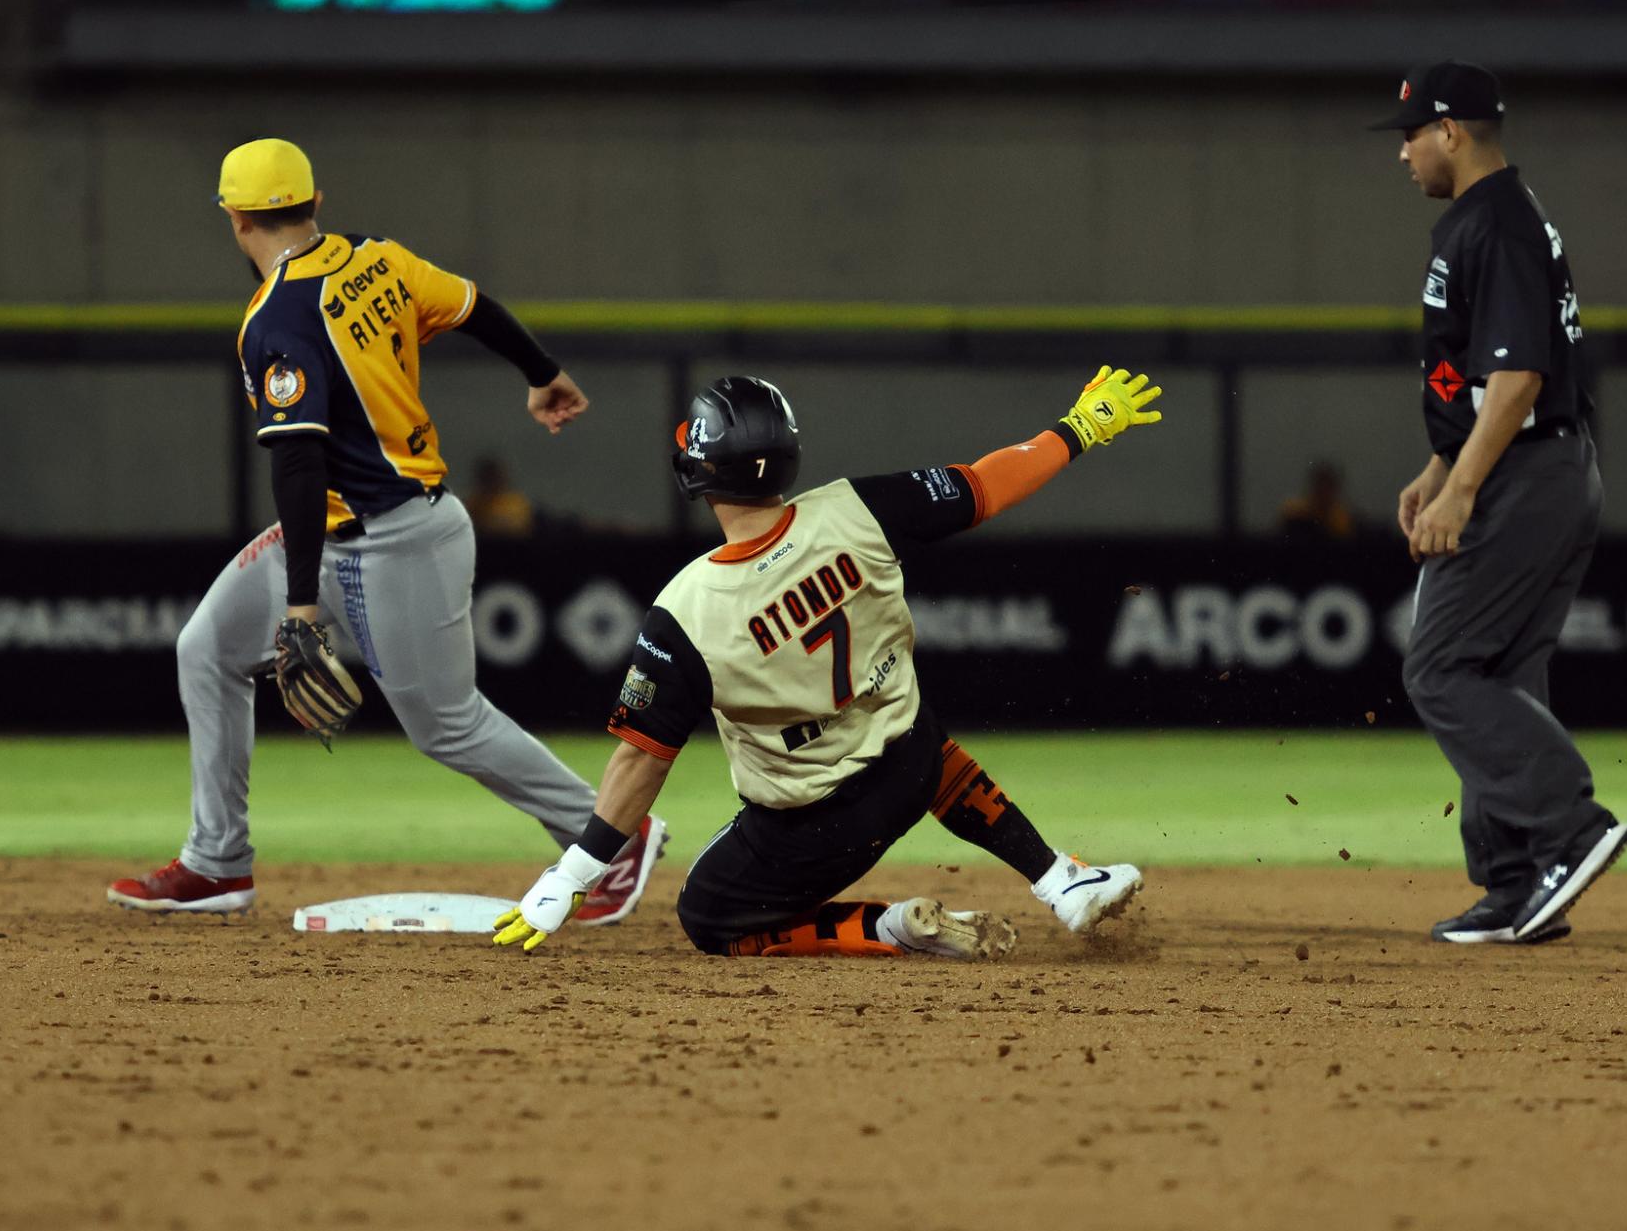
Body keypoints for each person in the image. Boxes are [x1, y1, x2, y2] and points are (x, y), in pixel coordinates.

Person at [107, 139, 664, 919]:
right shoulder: (378, 259)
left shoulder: (275, 320)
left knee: (447, 726)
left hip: (396, 540)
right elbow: (475, 307)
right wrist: (542, 372)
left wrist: (299, 606)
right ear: (315, 202)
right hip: (337, 534)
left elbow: (297, 465)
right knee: (205, 649)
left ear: (236, 218)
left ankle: (611, 834)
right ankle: (217, 860)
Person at [491, 366, 1162, 961]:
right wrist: (1078, 428)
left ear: (697, 470)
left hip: (811, 830)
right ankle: (1058, 878)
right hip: (912, 767)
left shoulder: (687, 610)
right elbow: (987, 484)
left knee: (706, 914)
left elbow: (642, 759)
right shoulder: (858, 510)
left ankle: (890, 928)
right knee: (903, 715)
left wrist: (573, 874)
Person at [1371, 60, 1627, 945]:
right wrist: (1441, 464)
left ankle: (1573, 827)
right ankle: (1519, 882)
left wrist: (1467, 487)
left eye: (1409, 134)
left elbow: (1518, 375)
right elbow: (1487, 378)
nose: (1401, 152)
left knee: (1438, 668)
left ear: (1450, 130)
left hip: (1525, 474)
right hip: (1536, 466)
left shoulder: (1498, 223)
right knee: (1500, 674)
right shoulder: (1487, 220)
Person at [1277, 462, 1356, 541]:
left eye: (1327, 488)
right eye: (1321, 487)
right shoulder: (1296, 513)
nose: (1324, 492)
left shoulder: (1341, 519)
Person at [463, 457, 534, 538]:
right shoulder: (472, 504)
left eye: (494, 477)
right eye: (488, 478)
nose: (492, 482)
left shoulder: (516, 504)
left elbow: (520, 526)